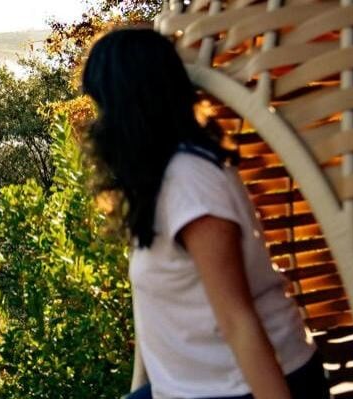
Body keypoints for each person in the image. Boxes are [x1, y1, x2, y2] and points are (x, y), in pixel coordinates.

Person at [80, 28, 329, 399]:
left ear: (130, 107)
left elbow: (238, 320)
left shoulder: (190, 182)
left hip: (250, 387)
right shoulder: (159, 180)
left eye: (104, 107)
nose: (97, 124)